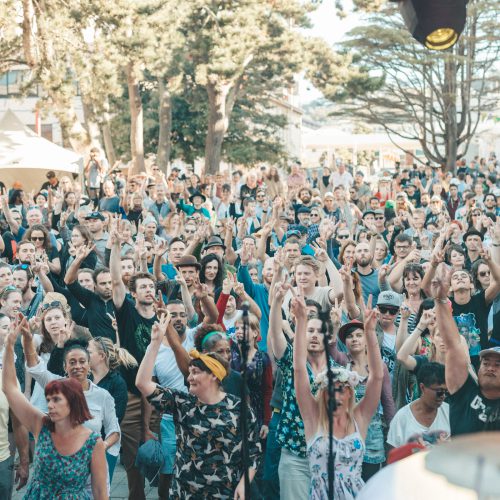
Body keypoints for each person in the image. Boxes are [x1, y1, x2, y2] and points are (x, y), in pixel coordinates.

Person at [136, 313, 261, 498]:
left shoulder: (239, 408)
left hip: (225, 493)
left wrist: (245, 484)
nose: (189, 378)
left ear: (213, 375)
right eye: (190, 372)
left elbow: (253, 453)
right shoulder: (182, 403)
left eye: (195, 372)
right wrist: (154, 343)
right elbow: (143, 383)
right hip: (185, 493)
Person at [2, 323, 108, 499]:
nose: (49, 405)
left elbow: (100, 492)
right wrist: (9, 345)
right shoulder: (41, 424)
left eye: (56, 399)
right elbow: (10, 389)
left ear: (73, 402)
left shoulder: (93, 442)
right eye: (48, 399)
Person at [293, 294, 384, 499]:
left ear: (350, 392)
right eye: (331, 389)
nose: (337, 393)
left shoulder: (359, 417)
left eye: (342, 388)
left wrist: (369, 332)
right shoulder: (313, 417)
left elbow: (377, 376)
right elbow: (299, 369)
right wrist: (300, 322)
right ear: (323, 393)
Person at [432, 266, 500, 434]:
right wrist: (440, 300)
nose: (490, 368)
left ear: (472, 284)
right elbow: (453, 344)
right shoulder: (465, 392)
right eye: (486, 363)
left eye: (498, 364)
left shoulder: (478, 301)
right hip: (459, 369)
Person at [387, 362, 450, 449]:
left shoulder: (449, 413)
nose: (443, 396)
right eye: (439, 392)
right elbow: (393, 456)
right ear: (422, 387)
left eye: (446, 392)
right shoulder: (401, 418)